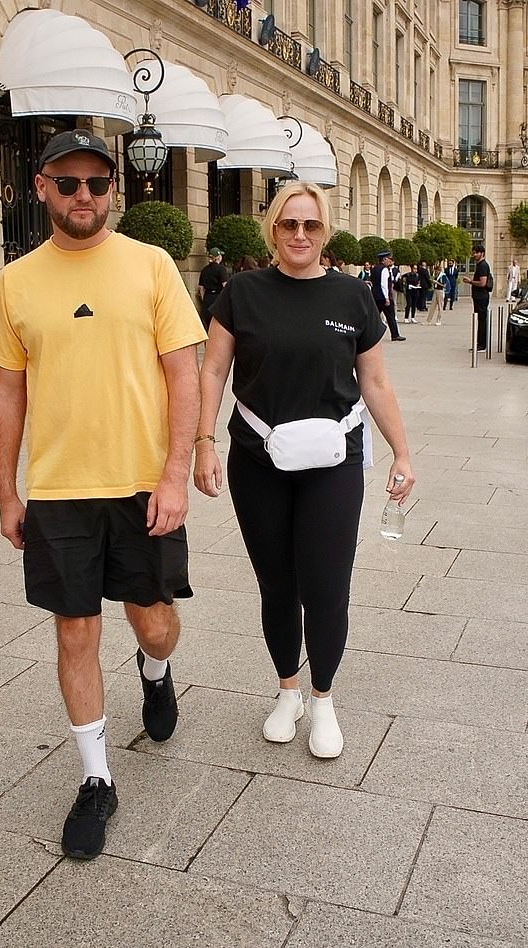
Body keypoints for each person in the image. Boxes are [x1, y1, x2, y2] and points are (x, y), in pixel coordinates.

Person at [0, 129, 206, 860]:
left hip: (142, 484)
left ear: (115, 190)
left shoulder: (152, 263)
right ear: (40, 187)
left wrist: (175, 474)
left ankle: (157, 671)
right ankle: (96, 777)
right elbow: (6, 389)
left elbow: (184, 372)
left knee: (154, 624)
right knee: (75, 631)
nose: (85, 196)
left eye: (97, 184)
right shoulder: (16, 281)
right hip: (58, 490)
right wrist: (5, 493)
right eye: (68, 183)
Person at [193, 182, 414, 760]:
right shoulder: (241, 293)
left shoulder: (353, 297)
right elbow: (212, 372)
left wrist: (403, 452)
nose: (299, 235)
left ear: (325, 232)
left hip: (333, 467)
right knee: (277, 585)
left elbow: (376, 381)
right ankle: (287, 690)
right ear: (273, 230)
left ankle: (323, 699)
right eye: (289, 224)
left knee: (327, 588)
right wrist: (203, 442)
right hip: (257, 461)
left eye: (310, 226)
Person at [370, 249, 406, 341]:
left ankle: (369, 335)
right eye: (388, 259)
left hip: (375, 295)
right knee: (390, 316)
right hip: (383, 296)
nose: (389, 261)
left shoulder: (374, 269)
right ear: (384, 259)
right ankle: (395, 335)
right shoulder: (384, 269)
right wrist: (386, 298)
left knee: (374, 316)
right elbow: (384, 284)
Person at [463, 244, 491, 351]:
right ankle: (480, 343)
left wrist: (470, 281)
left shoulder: (483, 266)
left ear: (482, 253)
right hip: (479, 296)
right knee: (480, 319)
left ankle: (482, 344)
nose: (474, 255)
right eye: (473, 252)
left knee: (481, 320)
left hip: (481, 296)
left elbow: (483, 283)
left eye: (476, 253)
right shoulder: (480, 265)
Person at [198, 248, 229, 330]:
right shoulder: (221, 269)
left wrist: (203, 299)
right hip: (218, 297)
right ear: (218, 257)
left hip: (207, 298)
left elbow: (201, 287)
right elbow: (225, 285)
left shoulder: (204, 270)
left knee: (208, 325)